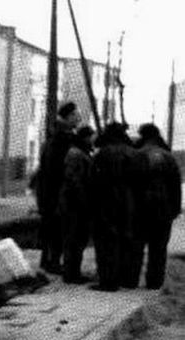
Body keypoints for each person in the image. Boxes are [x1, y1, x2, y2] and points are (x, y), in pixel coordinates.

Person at [126, 123, 182, 289]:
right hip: (163, 211)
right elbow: (175, 186)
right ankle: (154, 283)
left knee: (136, 247)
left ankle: (131, 280)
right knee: (158, 249)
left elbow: (130, 185)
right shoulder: (168, 156)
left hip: (140, 210)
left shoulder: (136, 155)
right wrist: (175, 209)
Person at [88, 122, 136, 291]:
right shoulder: (133, 152)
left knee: (106, 241)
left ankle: (108, 281)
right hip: (129, 201)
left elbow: (93, 180)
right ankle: (127, 278)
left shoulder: (104, 154)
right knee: (126, 239)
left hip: (106, 200)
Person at [37, 102, 82, 273]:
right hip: (56, 191)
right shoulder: (63, 140)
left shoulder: (55, 137)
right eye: (76, 115)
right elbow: (57, 169)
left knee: (52, 227)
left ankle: (49, 260)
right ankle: (53, 262)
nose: (79, 118)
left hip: (50, 191)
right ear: (69, 116)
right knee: (57, 228)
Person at [58, 125, 95, 283]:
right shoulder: (76, 154)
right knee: (74, 239)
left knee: (77, 240)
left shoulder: (80, 152)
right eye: (91, 136)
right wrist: (83, 200)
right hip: (74, 204)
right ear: (85, 137)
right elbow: (74, 180)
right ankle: (71, 274)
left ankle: (73, 272)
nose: (93, 140)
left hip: (74, 203)